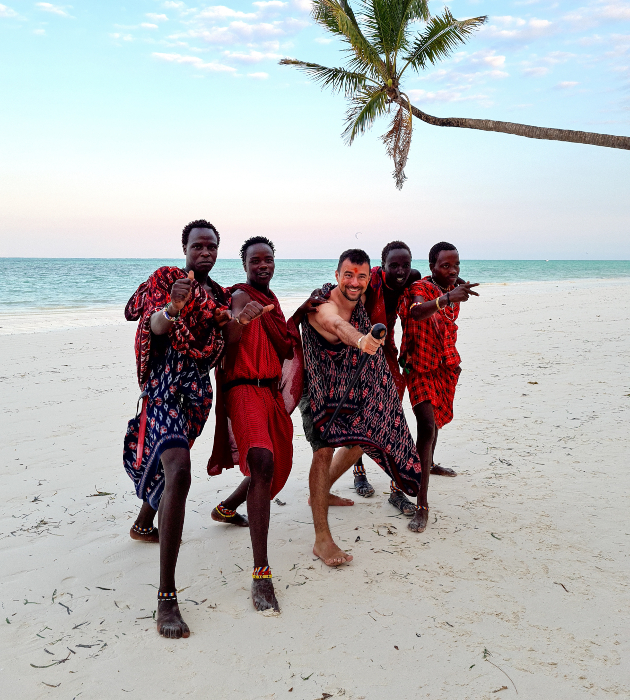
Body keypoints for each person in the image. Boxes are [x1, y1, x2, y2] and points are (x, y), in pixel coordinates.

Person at [122, 219, 265, 639]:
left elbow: (227, 342)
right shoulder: (168, 280)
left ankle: (144, 524)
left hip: (195, 396)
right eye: (198, 246)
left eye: (211, 247)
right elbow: (150, 323)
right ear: (184, 247)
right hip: (163, 389)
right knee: (179, 471)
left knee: (170, 471)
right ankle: (166, 597)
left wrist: (244, 321)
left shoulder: (220, 296)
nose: (205, 252)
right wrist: (172, 308)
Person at [207, 236, 322, 613]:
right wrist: (241, 319)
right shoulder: (240, 297)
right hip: (243, 390)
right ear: (244, 265)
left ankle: (226, 508)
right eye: (255, 260)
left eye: (267, 259)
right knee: (262, 461)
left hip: (269, 394)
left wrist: (303, 309)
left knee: (271, 462)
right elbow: (231, 339)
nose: (262, 265)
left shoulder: (271, 304)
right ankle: (261, 572)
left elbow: (285, 344)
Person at [300, 248, 426, 567]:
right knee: (324, 449)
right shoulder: (321, 304)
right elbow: (337, 325)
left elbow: (406, 276)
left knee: (361, 439)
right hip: (318, 385)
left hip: (349, 383)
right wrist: (361, 341)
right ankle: (322, 539)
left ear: (370, 279)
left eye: (361, 276)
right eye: (348, 275)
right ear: (336, 276)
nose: (354, 282)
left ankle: (323, 490)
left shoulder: (363, 298)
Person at [397, 242, 479, 532]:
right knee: (427, 426)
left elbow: (445, 326)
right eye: (445, 266)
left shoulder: (451, 293)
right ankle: (421, 504)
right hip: (419, 366)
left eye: (456, 265)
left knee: (435, 424)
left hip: (443, 364)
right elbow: (418, 312)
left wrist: (452, 295)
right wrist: (448, 297)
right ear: (432, 267)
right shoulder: (421, 288)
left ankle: (427, 464)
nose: (453, 270)